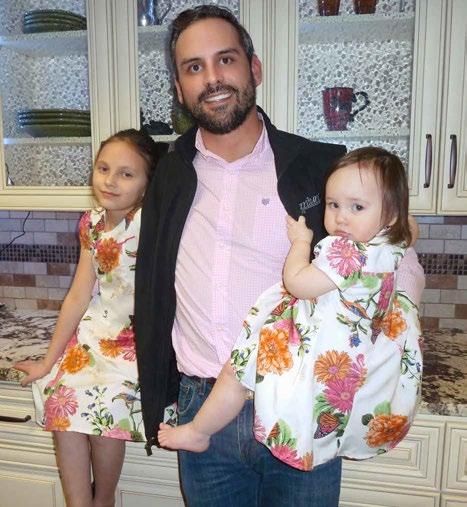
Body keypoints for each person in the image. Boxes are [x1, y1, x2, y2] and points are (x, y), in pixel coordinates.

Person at [134, 5, 425, 506]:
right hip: (202, 402)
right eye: (194, 67)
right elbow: (151, 286)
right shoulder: (169, 172)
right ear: (180, 89)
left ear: (255, 68)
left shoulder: (320, 165)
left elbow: (399, 253)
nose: (212, 78)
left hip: (302, 402)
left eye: (226, 59)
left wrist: (380, 338)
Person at [158, 146, 423, 472]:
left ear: (390, 214)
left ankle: (198, 431)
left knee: (236, 372)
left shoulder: (348, 253)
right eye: (333, 204)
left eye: (357, 207)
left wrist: (300, 242)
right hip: (352, 358)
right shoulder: (391, 244)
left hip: (312, 349)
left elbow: (297, 283)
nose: (341, 217)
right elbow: (411, 229)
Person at [14, 129, 168, 507]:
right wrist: (48, 362)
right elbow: (79, 294)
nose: (110, 181)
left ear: (147, 183)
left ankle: (104, 501)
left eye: (126, 174)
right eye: (103, 168)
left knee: (104, 416)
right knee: (60, 406)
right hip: (95, 334)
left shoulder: (151, 224)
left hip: (136, 341)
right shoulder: (92, 222)